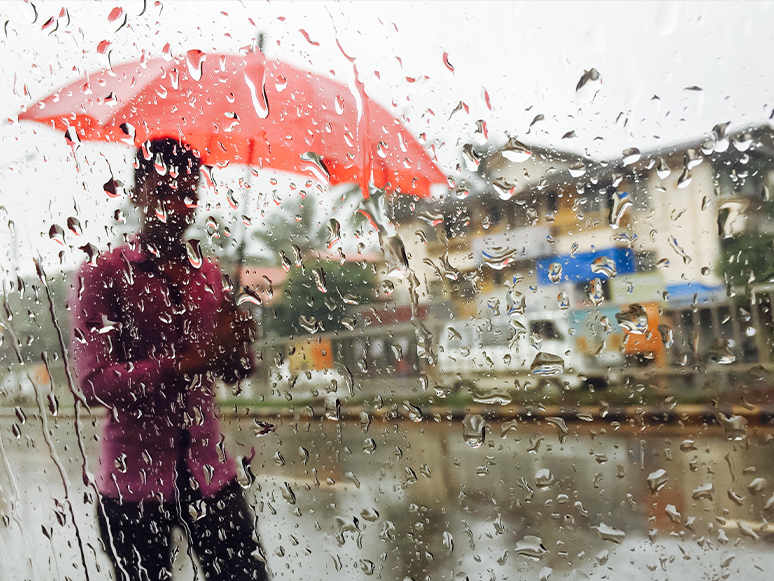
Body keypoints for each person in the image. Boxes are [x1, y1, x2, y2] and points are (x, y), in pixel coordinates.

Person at [69, 137, 270, 581]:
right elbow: (94, 381)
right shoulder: (104, 273)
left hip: (209, 471)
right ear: (138, 193)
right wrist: (189, 363)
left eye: (187, 193)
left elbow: (234, 372)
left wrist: (236, 346)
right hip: (132, 480)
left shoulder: (211, 273)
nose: (178, 206)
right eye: (164, 192)